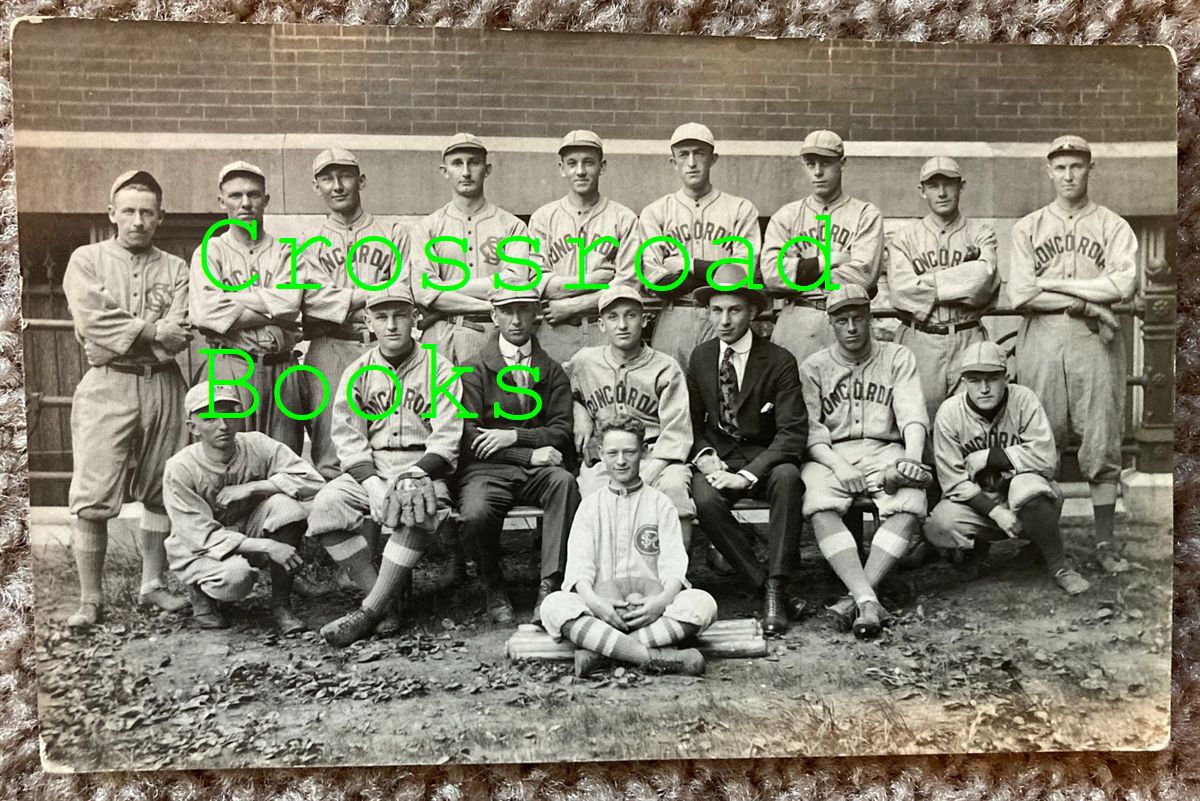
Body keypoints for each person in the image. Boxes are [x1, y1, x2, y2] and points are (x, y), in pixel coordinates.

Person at [62, 169, 192, 630]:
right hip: (107, 382)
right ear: (111, 213)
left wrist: (140, 338)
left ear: (160, 217)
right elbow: (93, 325)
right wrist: (152, 331)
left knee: (162, 487)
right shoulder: (87, 259)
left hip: (163, 385)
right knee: (94, 492)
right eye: (129, 211)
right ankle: (90, 598)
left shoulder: (176, 267)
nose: (138, 220)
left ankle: (152, 585)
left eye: (147, 212)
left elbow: (179, 335)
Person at [306, 282, 464, 647]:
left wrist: (413, 475)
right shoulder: (357, 371)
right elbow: (347, 439)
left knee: (414, 502)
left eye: (400, 315)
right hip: (372, 467)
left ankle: (370, 610)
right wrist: (374, 486)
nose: (392, 325)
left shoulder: (440, 369)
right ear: (368, 322)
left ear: (416, 319)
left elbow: (447, 437)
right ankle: (386, 599)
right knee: (327, 505)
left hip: (421, 465)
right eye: (382, 317)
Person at [1008, 135, 1138, 548]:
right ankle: (1044, 545)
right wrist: (1086, 297)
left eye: (1076, 166)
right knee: (1040, 438)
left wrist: (1054, 283)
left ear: (1090, 168)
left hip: (1093, 341)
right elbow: (1021, 294)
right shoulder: (1028, 226)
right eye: (1060, 167)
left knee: (1101, 439)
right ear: (1049, 171)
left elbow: (1122, 283)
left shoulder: (1113, 225)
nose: (1068, 175)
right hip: (1042, 340)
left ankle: (1103, 544)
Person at [798, 285, 930, 639]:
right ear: (832, 324)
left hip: (885, 449)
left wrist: (911, 461)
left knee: (909, 502)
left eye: (859, 318)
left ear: (870, 319)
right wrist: (839, 467)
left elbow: (912, 415)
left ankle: (858, 597)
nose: (852, 327)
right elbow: (811, 431)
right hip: (831, 455)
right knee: (819, 503)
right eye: (843, 320)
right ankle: (867, 599)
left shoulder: (897, 357)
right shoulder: (815, 366)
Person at [540, 414, 717, 677]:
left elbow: (674, 568)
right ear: (601, 453)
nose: (621, 461)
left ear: (644, 452)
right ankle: (656, 657)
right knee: (554, 605)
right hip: (602, 611)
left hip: (651, 610)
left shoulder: (660, 503)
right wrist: (597, 604)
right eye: (612, 453)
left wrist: (659, 603)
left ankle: (602, 653)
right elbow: (579, 570)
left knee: (703, 603)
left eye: (629, 452)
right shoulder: (590, 505)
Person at [686, 263, 808, 635]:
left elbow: (792, 433)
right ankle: (766, 585)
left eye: (734, 310)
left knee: (789, 479)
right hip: (719, 455)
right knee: (705, 499)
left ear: (752, 312)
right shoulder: (701, 356)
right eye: (717, 310)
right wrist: (707, 460)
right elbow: (691, 423)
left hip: (764, 457)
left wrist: (747, 474)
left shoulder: (779, 360)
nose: (724, 320)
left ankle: (777, 583)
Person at [924, 342, 1091, 595]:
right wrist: (995, 512)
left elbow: (1047, 460)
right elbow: (953, 481)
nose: (984, 388)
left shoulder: (1023, 399)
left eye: (992, 378)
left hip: (1022, 495)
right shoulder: (950, 412)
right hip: (980, 503)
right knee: (939, 523)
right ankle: (977, 553)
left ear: (1006, 377)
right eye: (975, 379)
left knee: (1029, 490)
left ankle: (1059, 565)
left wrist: (992, 456)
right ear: (963, 381)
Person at [456, 286, 581, 624]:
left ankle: (550, 585)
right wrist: (526, 455)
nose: (515, 320)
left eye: (524, 310)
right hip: (487, 470)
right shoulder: (472, 370)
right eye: (507, 311)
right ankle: (492, 584)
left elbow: (561, 429)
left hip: (541, 469)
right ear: (494, 317)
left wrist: (514, 436)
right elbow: (470, 436)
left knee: (565, 485)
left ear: (536, 314)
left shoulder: (551, 369)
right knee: (476, 513)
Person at [162, 384, 326, 633]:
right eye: (210, 417)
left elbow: (312, 481)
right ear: (192, 427)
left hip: (246, 530)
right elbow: (202, 536)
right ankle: (200, 594)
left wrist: (255, 486)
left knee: (286, 507)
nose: (223, 424)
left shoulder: (256, 444)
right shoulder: (180, 467)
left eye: (229, 413)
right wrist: (269, 546)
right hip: (199, 548)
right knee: (237, 580)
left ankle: (281, 604)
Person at [299, 148, 412, 480]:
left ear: (361, 180)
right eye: (327, 178)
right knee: (330, 446)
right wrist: (374, 295)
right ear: (316, 185)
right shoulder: (308, 240)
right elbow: (311, 300)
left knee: (389, 431)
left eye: (345, 175)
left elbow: (404, 290)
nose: (337, 185)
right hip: (329, 346)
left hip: (383, 347)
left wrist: (343, 302)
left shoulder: (393, 233)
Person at [567, 285, 695, 549]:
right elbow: (555, 386)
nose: (622, 325)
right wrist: (578, 409)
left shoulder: (665, 367)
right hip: (607, 458)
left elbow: (677, 432)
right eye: (613, 317)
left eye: (631, 315)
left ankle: (675, 577)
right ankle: (606, 579)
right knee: (595, 498)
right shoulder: (584, 361)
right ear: (601, 324)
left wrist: (646, 474)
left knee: (674, 489)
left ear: (645, 320)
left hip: (657, 458)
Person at [190, 161, 303, 453]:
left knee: (283, 458)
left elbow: (290, 304)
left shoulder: (286, 249)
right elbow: (205, 312)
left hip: (282, 367)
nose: (245, 203)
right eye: (235, 195)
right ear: (221, 201)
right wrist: (271, 311)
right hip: (230, 364)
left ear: (265, 200)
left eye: (253, 195)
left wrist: (231, 298)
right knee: (229, 456)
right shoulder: (209, 251)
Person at [887, 157, 999, 426]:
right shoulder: (904, 238)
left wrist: (926, 282)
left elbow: (983, 280)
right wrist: (961, 278)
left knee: (971, 424)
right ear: (921, 190)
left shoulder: (981, 233)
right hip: (920, 339)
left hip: (967, 335)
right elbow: (902, 291)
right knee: (920, 422)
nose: (942, 192)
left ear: (961, 186)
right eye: (933, 185)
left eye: (948, 184)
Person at [638, 122, 760, 368]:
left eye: (699, 153)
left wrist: (688, 265)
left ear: (713, 158)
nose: (692, 162)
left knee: (726, 396)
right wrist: (716, 272)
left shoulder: (740, 209)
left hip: (724, 317)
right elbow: (654, 280)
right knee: (672, 396)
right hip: (674, 318)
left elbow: (742, 274)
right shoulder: (655, 212)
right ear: (673, 162)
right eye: (684, 154)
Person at [762, 129, 884, 366]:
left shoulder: (865, 214)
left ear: (842, 163)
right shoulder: (786, 216)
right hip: (797, 322)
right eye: (810, 164)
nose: (817, 172)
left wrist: (798, 274)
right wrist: (828, 261)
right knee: (792, 399)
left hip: (846, 321)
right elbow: (771, 274)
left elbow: (864, 276)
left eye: (825, 163)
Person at [411, 132, 535, 365]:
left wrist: (447, 287)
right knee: (436, 400)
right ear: (444, 170)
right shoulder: (426, 228)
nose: (466, 172)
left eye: (474, 163)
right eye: (457, 163)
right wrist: (489, 304)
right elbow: (423, 292)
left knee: (491, 402)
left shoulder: (513, 226)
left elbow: (515, 282)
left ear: (487, 169)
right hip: (439, 335)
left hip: (492, 334)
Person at [528, 130, 640, 364]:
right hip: (556, 330)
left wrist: (571, 305)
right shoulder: (542, 218)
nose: (580, 171)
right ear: (561, 168)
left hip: (605, 331)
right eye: (572, 163)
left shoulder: (624, 218)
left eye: (588, 162)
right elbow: (539, 282)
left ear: (602, 166)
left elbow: (628, 284)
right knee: (554, 398)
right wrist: (597, 279)